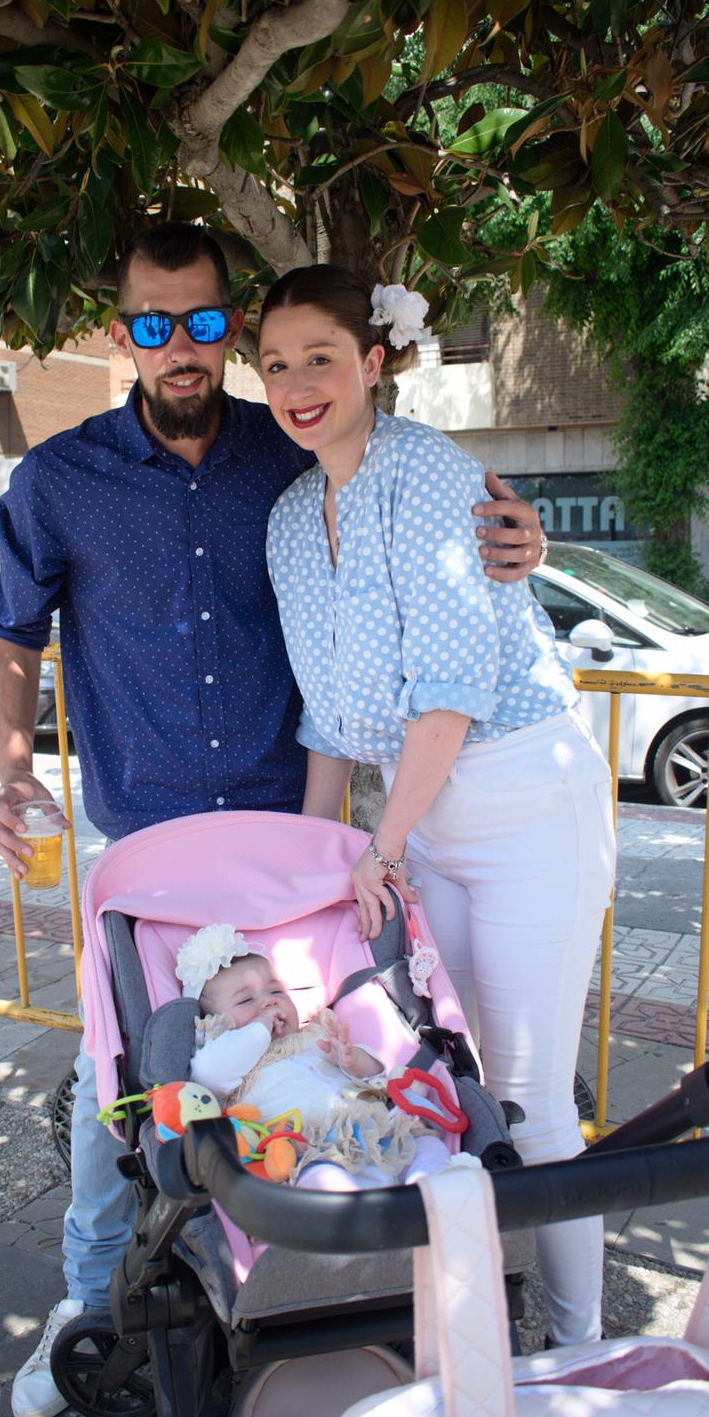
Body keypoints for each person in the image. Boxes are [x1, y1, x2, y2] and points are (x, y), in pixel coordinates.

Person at [0, 224, 545, 1417]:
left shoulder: (290, 459)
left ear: (225, 326)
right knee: (117, 1076)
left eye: (198, 322)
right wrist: (16, 766)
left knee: (321, 1032)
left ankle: (320, 1257)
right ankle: (91, 1297)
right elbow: (13, 631)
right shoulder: (57, 481)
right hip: (148, 834)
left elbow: (416, 539)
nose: (178, 346)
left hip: (291, 828)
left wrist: (518, 544)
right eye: (150, 323)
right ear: (121, 330)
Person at [259, 264, 617, 1348]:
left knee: (531, 1094)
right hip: (423, 823)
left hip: (518, 800)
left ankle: (579, 1341)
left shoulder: (432, 477)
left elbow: (450, 698)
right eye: (274, 365)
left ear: (373, 362)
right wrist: (323, 865)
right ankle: (476, 1325)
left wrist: (379, 843)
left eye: (320, 357)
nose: (295, 384)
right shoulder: (287, 515)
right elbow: (326, 719)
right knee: (450, 1080)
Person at [178, 923, 451, 1189]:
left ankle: (444, 1194)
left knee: (425, 1145)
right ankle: (355, 1222)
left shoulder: (314, 1034)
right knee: (322, 1181)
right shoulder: (226, 1061)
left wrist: (352, 1060)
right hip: (311, 1152)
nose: (270, 1002)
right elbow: (207, 1074)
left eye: (276, 991)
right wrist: (260, 1026)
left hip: (375, 1132)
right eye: (245, 1000)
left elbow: (377, 1078)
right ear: (214, 1022)